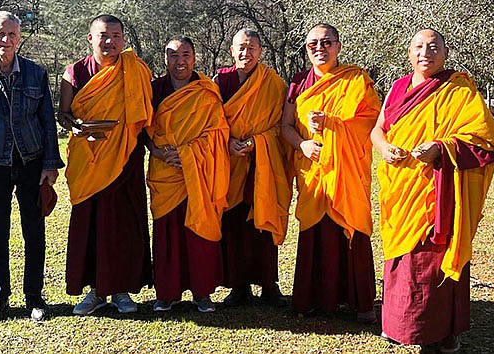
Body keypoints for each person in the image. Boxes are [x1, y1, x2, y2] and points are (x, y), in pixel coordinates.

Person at [371, 29, 494, 352]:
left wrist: (439, 147)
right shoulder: (397, 87)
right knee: (401, 259)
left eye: (433, 47)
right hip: (400, 185)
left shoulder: (458, 89)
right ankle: (399, 326)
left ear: (445, 53)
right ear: (409, 53)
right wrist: (382, 146)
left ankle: (440, 331)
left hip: (438, 188)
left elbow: (486, 139)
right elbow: (379, 128)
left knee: (433, 257)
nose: (425, 53)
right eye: (418, 46)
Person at [0, 11, 64, 323]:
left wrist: (50, 164)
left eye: (12, 35)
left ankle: (34, 298)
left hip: (31, 162)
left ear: (19, 37)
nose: (6, 40)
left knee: (34, 232)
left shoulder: (36, 73)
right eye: (0, 34)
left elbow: (47, 121)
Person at [281, 23, 380, 322]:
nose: (320, 49)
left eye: (326, 42)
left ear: (338, 46)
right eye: (313, 44)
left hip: (346, 171)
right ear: (306, 49)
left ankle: (359, 302)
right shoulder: (299, 83)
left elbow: (371, 122)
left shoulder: (356, 80)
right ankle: (312, 300)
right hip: (313, 172)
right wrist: (303, 144)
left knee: (352, 228)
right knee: (314, 234)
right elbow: (284, 127)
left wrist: (334, 124)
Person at [57, 14, 153, 316]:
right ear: (90, 38)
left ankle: (122, 290)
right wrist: (78, 128)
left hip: (126, 157)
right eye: (103, 35)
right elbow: (64, 114)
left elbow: (146, 117)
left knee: (123, 223)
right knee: (92, 224)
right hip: (90, 159)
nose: (110, 41)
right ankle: (95, 291)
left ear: (123, 39)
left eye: (116, 35)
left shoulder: (135, 71)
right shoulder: (74, 73)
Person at [145, 35, 230, 313]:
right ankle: (167, 293)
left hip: (200, 169)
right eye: (173, 55)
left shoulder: (206, 90)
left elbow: (217, 131)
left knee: (199, 230)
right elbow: (143, 129)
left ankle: (202, 292)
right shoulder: (155, 89)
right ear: (165, 58)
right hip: (165, 171)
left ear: (194, 57)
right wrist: (156, 152)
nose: (179, 61)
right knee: (167, 231)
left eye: (185, 55)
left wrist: (188, 153)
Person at [213, 29, 291, 307]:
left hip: (263, 163)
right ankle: (239, 286)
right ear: (232, 51)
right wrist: (230, 140)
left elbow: (281, 126)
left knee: (264, 221)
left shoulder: (273, 84)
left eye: (252, 48)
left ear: (260, 51)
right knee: (233, 222)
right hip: (229, 161)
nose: (246, 53)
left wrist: (256, 142)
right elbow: (211, 120)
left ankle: (269, 284)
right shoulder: (219, 81)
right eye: (241, 48)